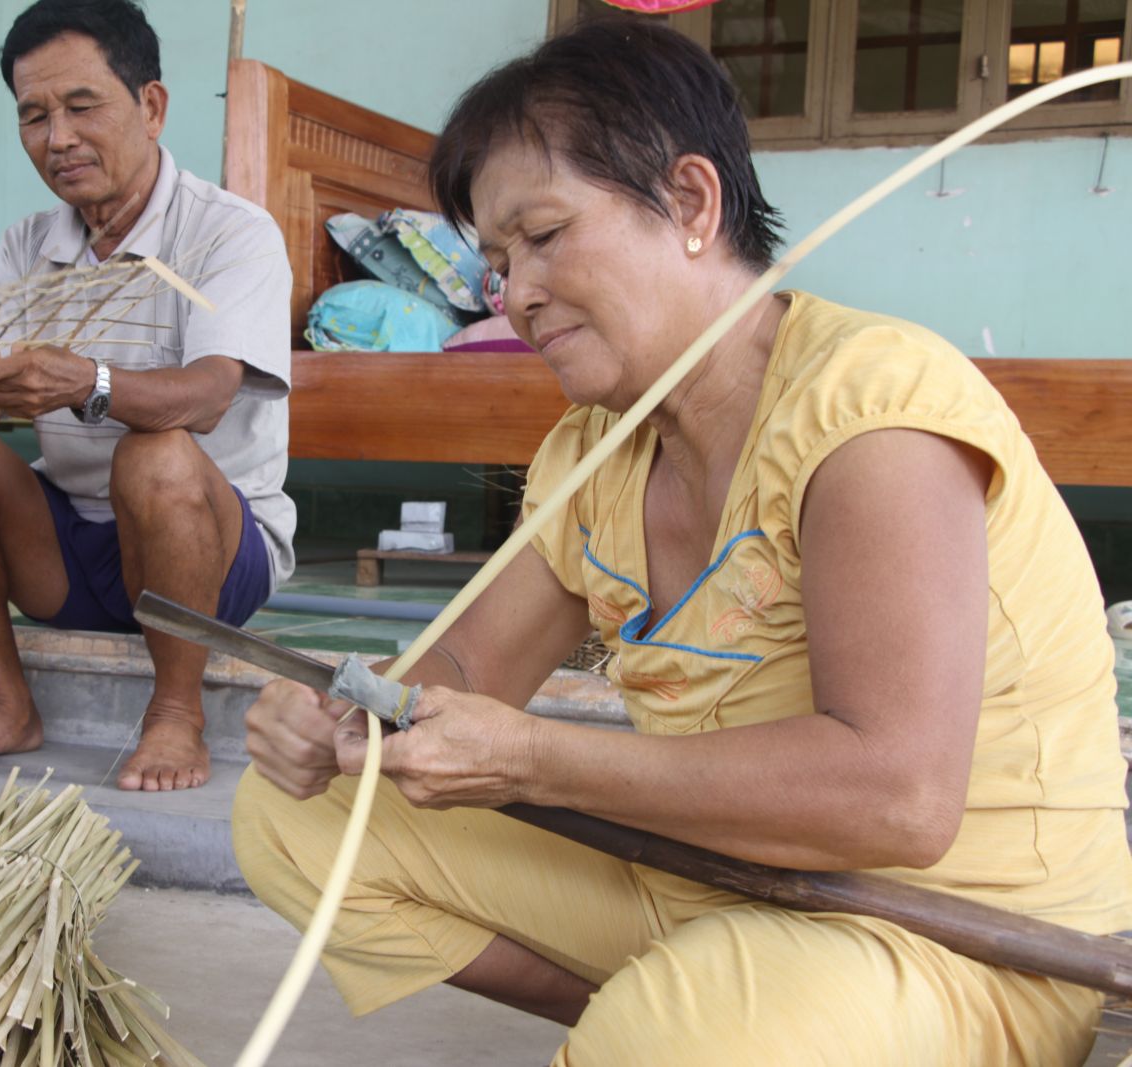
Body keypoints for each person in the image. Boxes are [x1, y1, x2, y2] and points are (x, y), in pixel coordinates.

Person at [232, 17, 1132, 1065]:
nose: (515, 292)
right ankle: (681, 1014)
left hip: (950, 935)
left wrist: (533, 757)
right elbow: (469, 664)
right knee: (299, 815)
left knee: (674, 1032)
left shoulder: (869, 408)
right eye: (496, 258)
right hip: (707, 873)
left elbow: (896, 796)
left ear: (693, 203)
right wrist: (353, 713)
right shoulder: (595, 446)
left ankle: (702, 1022)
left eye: (547, 234)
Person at [0, 0, 294, 788]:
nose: (59, 138)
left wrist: (90, 384)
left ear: (151, 107)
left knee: (157, 455)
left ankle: (176, 713)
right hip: (69, 555)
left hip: (210, 559)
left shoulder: (231, 232)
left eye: (82, 107)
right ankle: (6, 703)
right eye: (34, 115)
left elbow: (210, 395)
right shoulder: (26, 244)